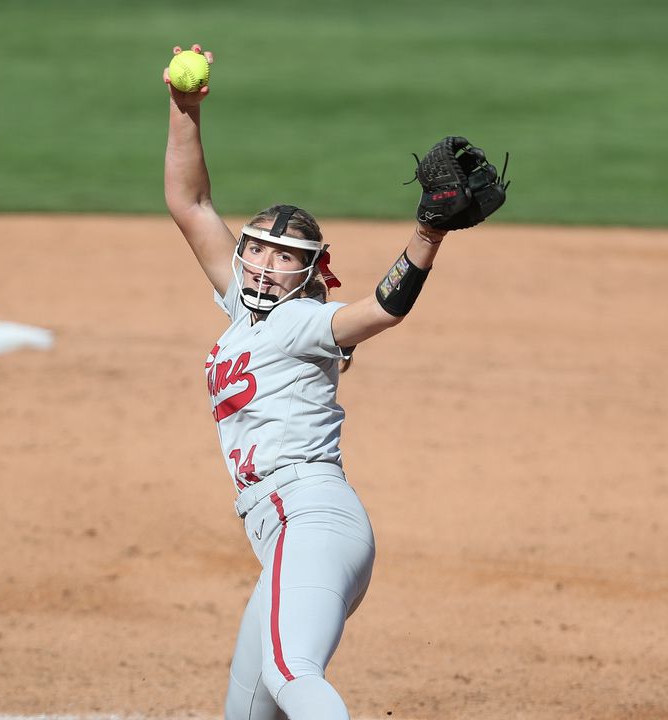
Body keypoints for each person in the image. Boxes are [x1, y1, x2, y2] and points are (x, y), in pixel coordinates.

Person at [162, 44, 505, 720]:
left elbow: (383, 309)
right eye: (256, 246)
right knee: (251, 710)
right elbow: (191, 202)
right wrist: (184, 108)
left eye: (284, 257)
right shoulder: (240, 310)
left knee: (293, 673)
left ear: (310, 272)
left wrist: (428, 232)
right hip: (287, 533)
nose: (263, 262)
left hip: (311, 519)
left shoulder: (306, 324)